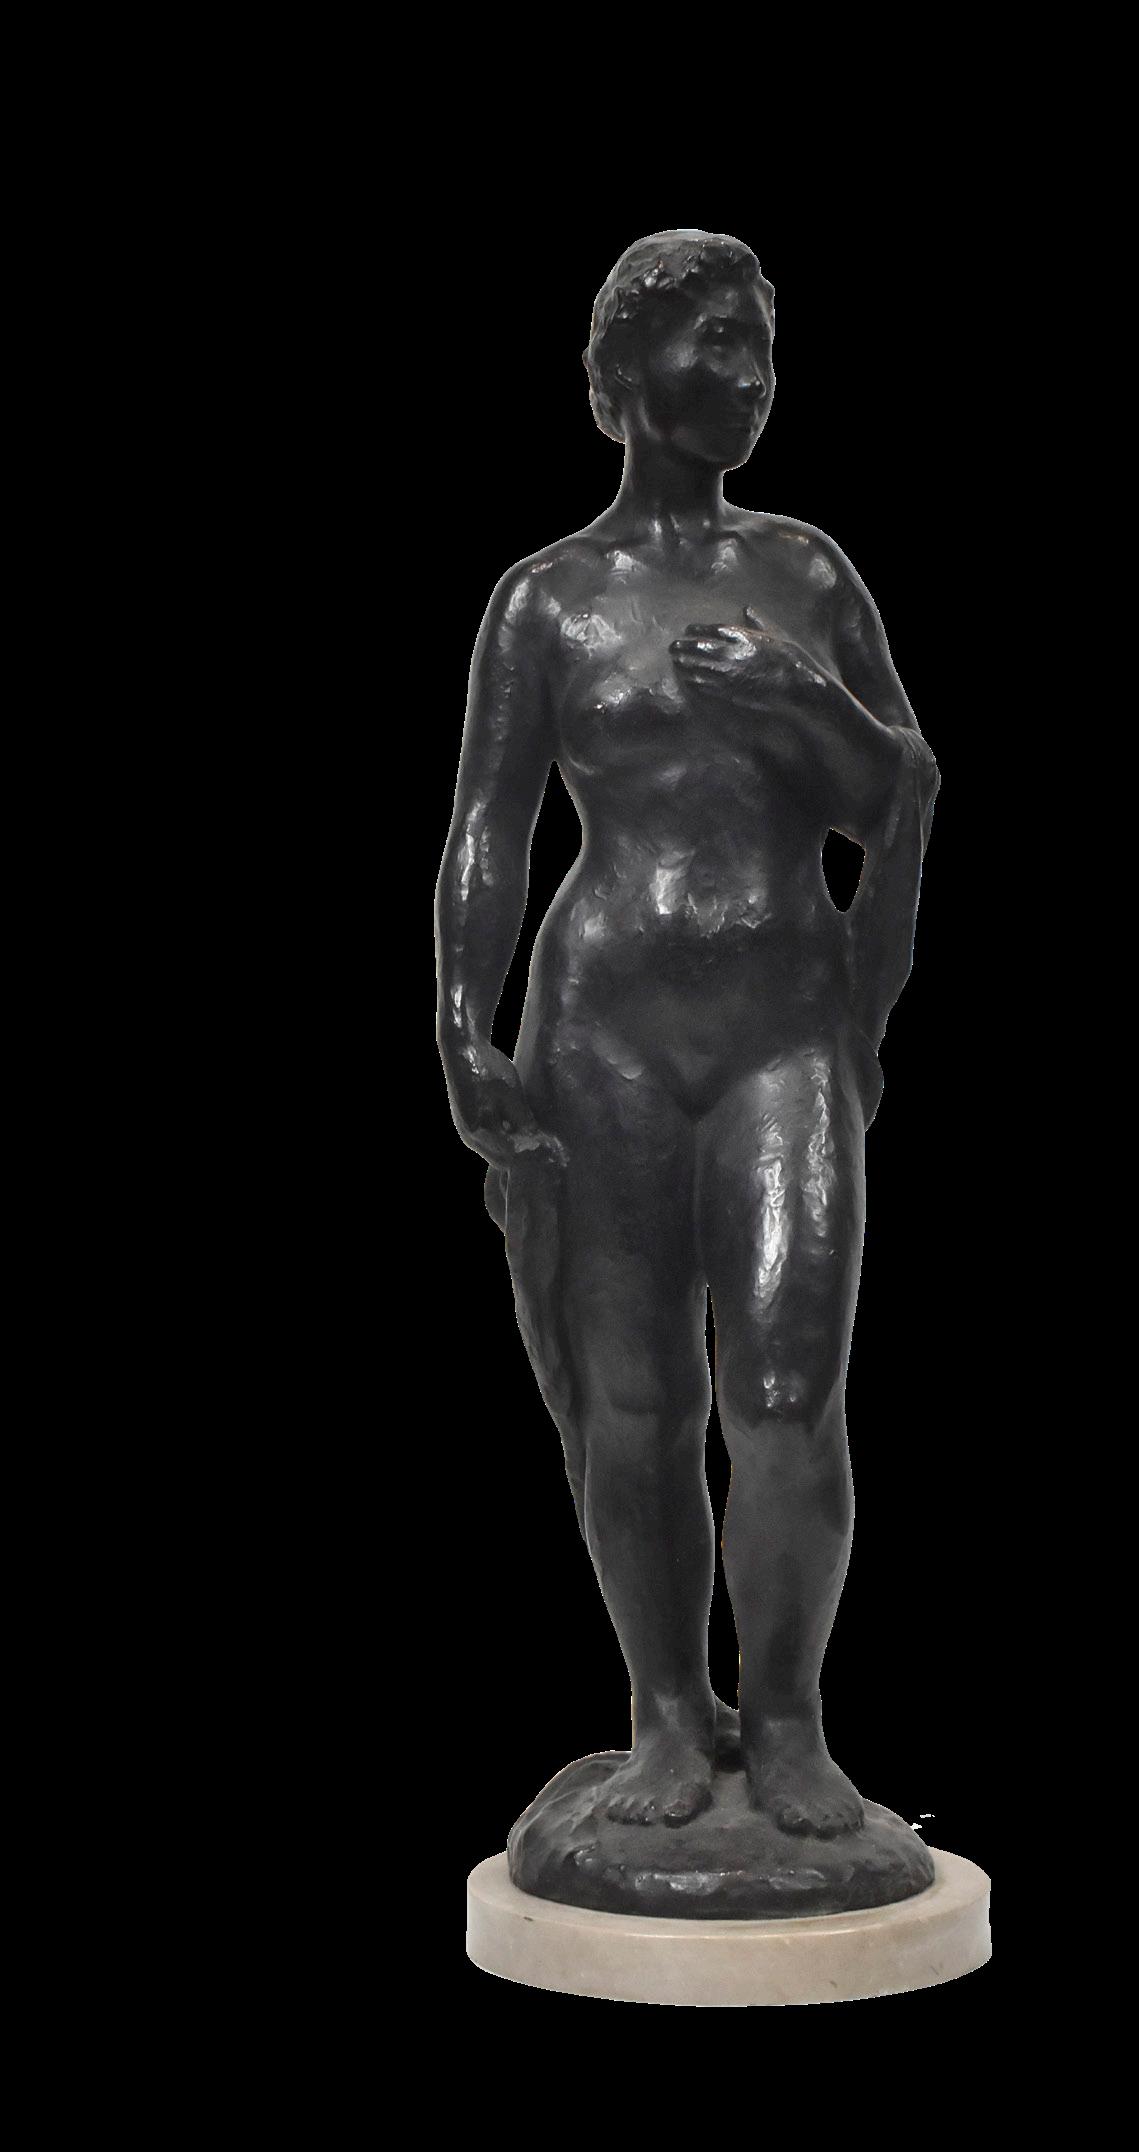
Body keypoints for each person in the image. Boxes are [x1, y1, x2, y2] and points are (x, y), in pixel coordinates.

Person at [437, 230, 939, 1839]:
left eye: (761, 349)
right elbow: (490, 826)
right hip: (607, 1035)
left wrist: (808, 704)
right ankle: (665, 1710)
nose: (746, 377)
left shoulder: (808, 576)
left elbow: (900, 793)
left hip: (784, 1027)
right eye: (712, 342)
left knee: (788, 1395)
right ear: (620, 371)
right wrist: (458, 1014)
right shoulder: (547, 600)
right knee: (634, 1403)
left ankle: (785, 1719)